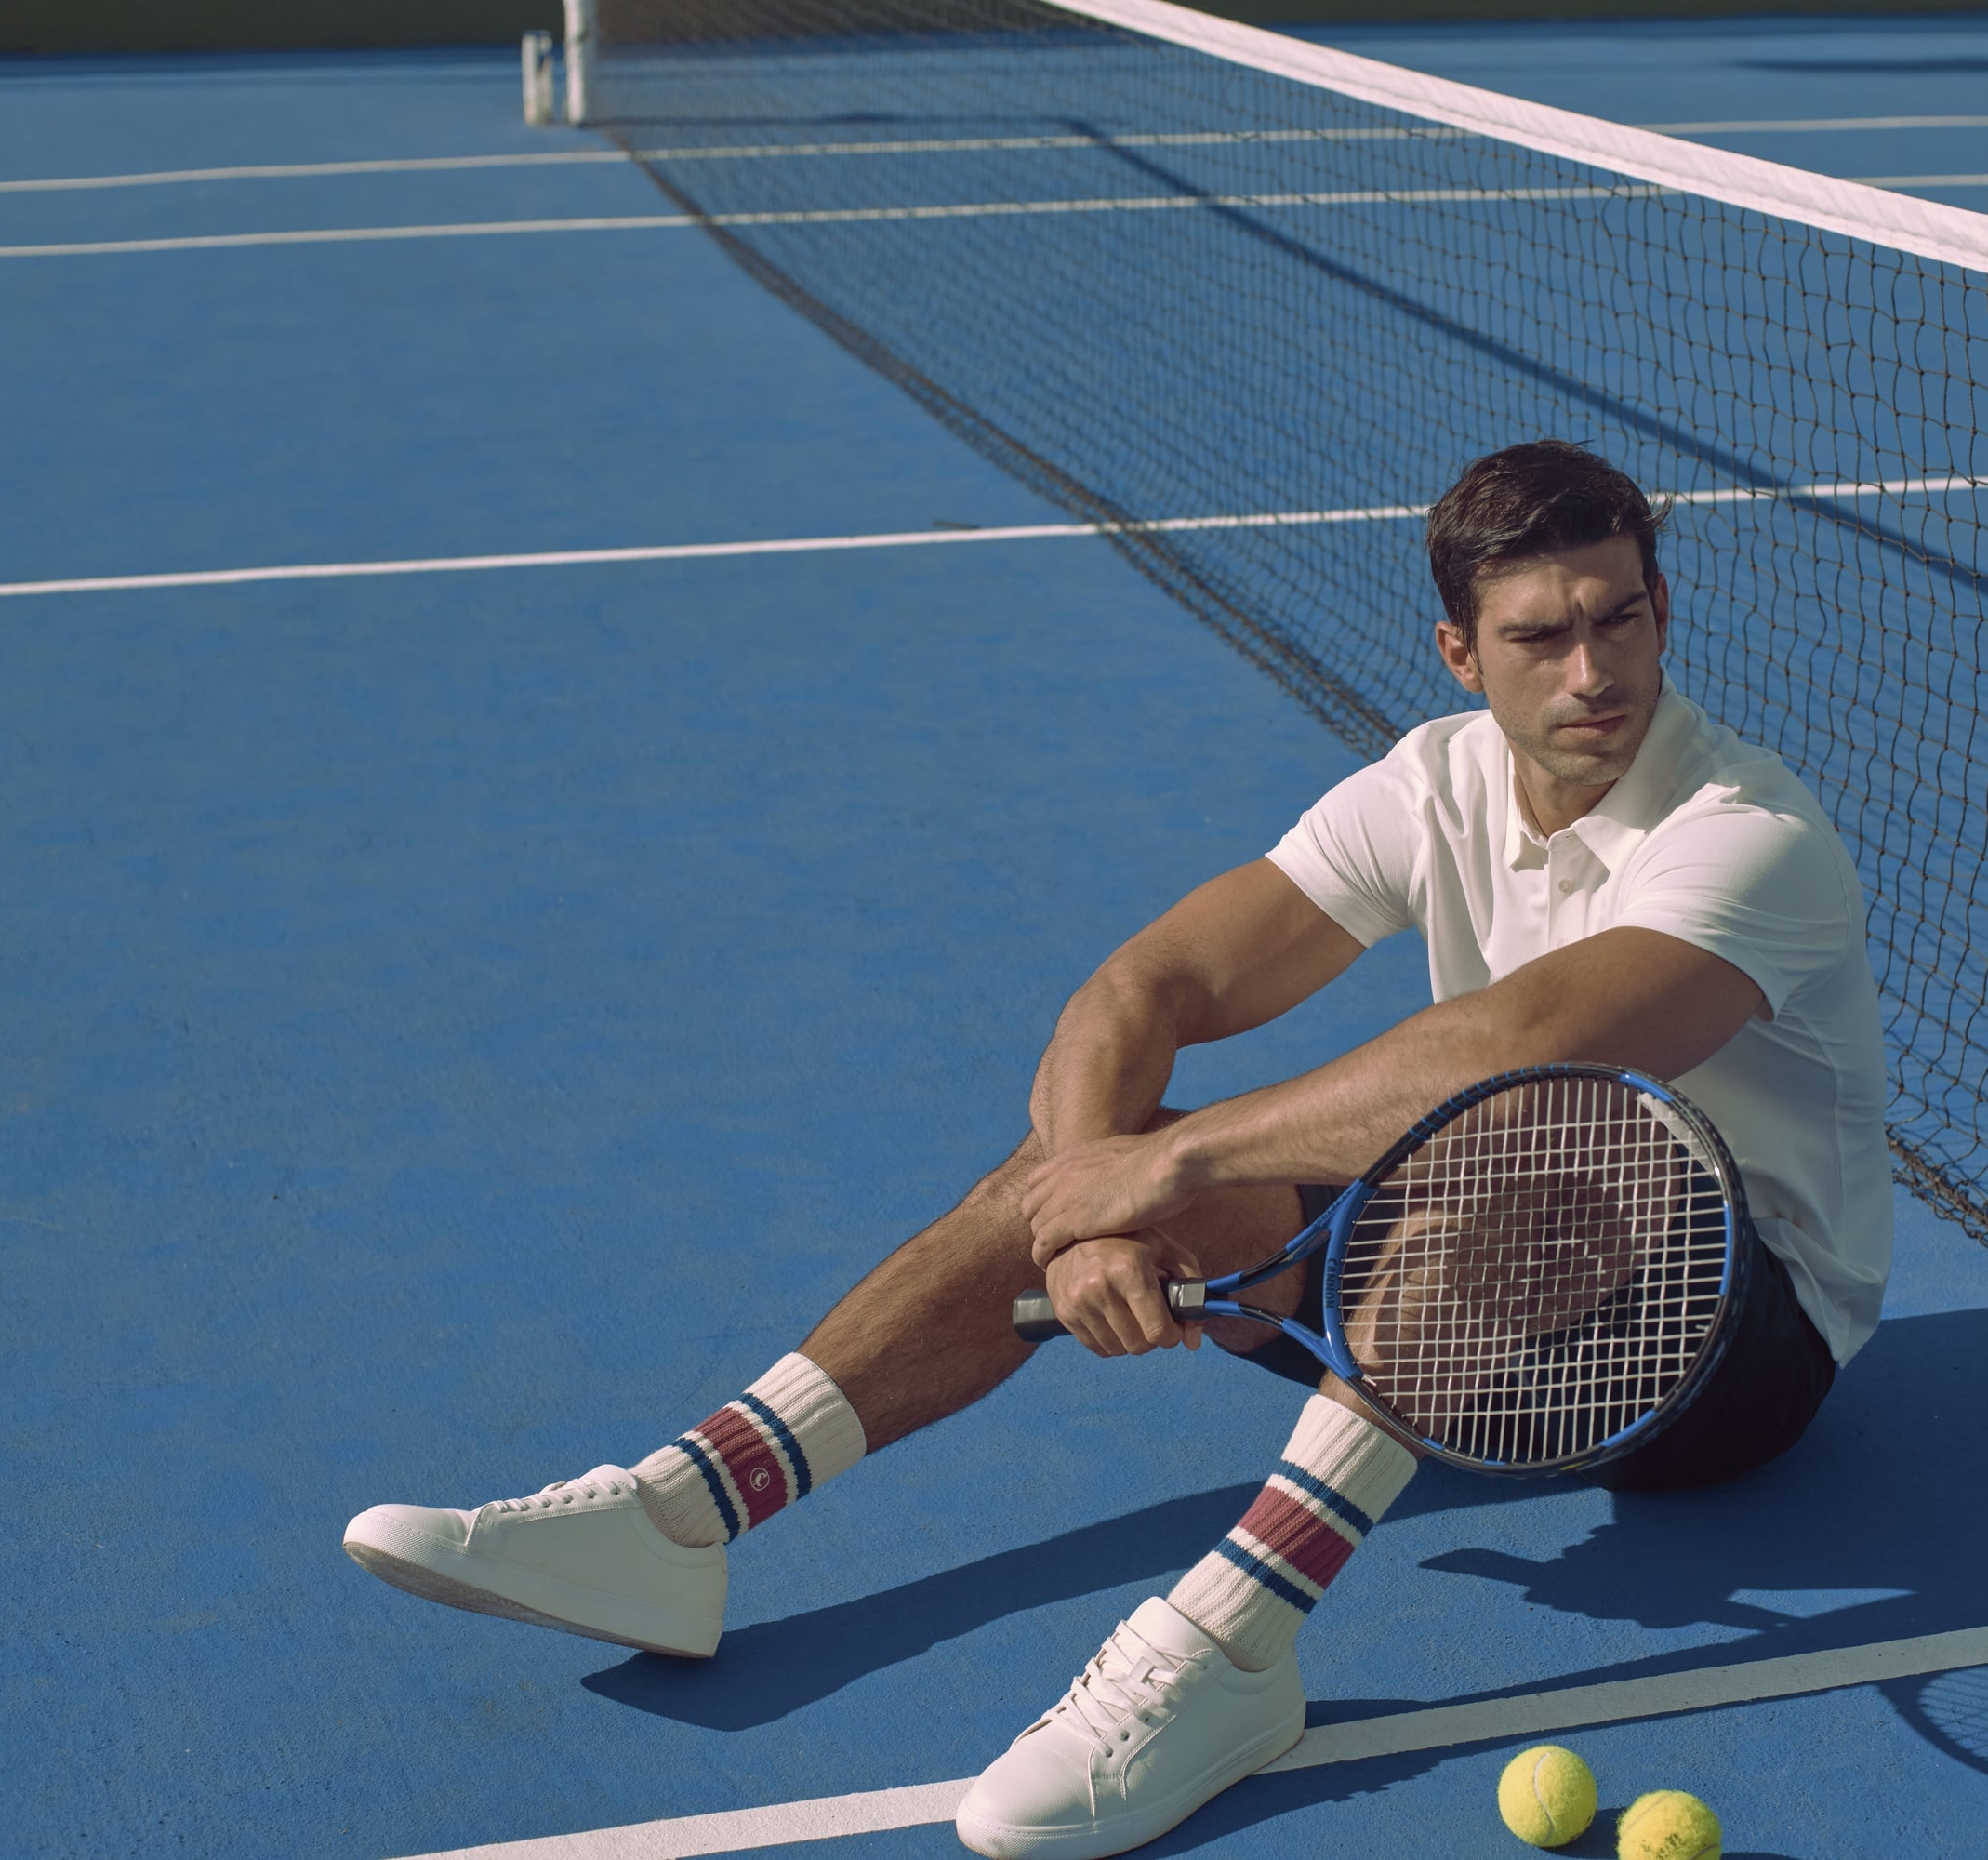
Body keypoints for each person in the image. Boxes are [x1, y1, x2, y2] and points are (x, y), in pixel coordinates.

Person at [341, 440, 1889, 1859]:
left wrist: (1173, 1176)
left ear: (1660, 609)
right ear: (1461, 652)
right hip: (1481, 1280)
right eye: (1543, 636)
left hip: (1732, 1357)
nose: (1592, 667)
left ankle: (1228, 1656)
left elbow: (1522, 1043)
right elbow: (1149, 987)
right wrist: (1086, 1213)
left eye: (1619, 618)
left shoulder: (1745, 830)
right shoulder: (1435, 784)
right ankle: (685, 1515)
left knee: (1553, 1133)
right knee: (1078, 1154)